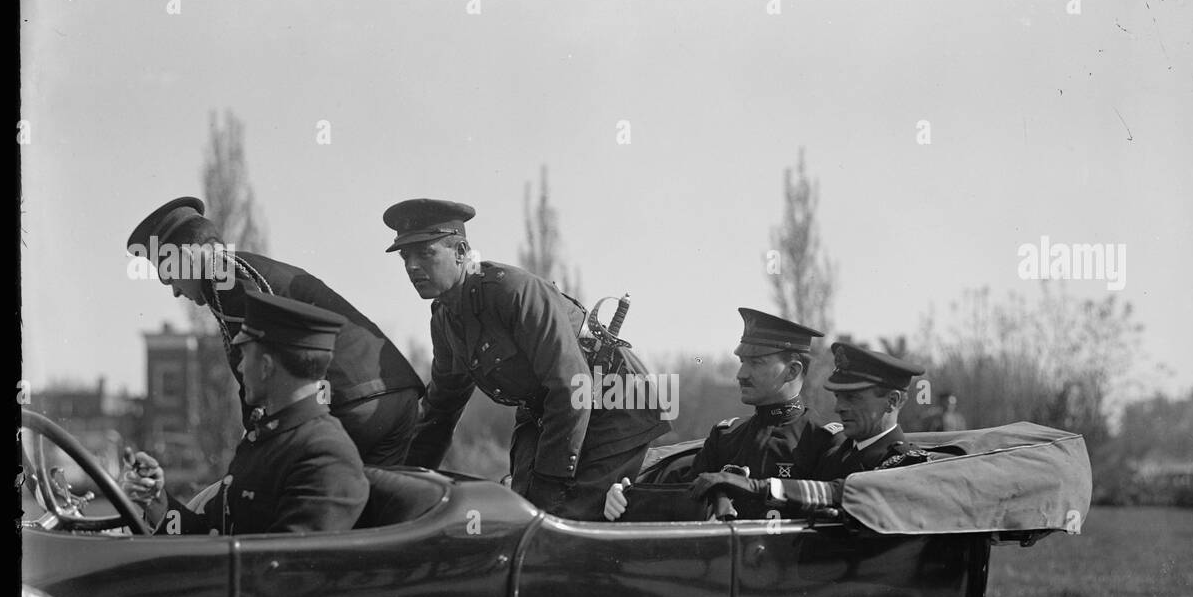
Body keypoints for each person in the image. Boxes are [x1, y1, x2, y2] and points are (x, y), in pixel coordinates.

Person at [384, 197, 668, 520]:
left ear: (462, 252)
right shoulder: (445, 320)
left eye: (425, 253)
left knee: (560, 519)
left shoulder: (512, 293)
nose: (411, 266)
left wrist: (549, 486)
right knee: (519, 512)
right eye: (406, 256)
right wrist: (403, 483)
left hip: (614, 403)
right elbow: (441, 410)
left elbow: (570, 387)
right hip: (552, 411)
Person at [127, 197, 424, 466]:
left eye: (170, 278)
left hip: (353, 404)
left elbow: (261, 369)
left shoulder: (224, 278)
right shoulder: (239, 269)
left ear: (189, 257)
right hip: (395, 395)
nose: (176, 292)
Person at [122, 292, 369, 535]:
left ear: (265, 367)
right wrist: (158, 501)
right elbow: (210, 534)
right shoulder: (271, 440)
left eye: (244, 356)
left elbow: (280, 568)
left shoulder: (324, 453)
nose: (239, 367)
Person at [604, 308, 845, 520]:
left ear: (792, 371)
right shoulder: (726, 436)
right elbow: (686, 501)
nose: (741, 374)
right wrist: (627, 497)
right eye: (742, 361)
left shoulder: (824, 441)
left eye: (756, 363)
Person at [689, 342, 928, 513]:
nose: (839, 408)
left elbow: (838, 492)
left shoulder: (905, 463)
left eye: (853, 399)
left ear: (893, 401)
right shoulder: (839, 454)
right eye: (839, 397)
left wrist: (754, 486)